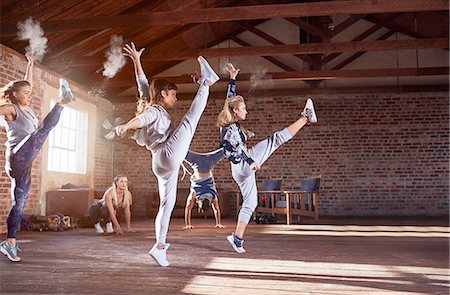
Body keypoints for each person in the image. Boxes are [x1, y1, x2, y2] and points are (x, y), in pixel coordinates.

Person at [116, 42, 219, 267]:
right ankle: (207, 83)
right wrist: (126, 126)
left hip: (161, 160)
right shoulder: (153, 111)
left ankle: (160, 246)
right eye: (173, 95)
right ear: (163, 94)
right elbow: (141, 120)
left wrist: (136, 61)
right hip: (166, 154)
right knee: (190, 121)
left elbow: (142, 84)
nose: (175, 99)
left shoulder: (150, 102)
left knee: (167, 204)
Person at [217, 63, 317, 254]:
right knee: (276, 139)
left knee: (251, 202)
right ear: (236, 111)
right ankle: (305, 117)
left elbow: (229, 99)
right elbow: (234, 150)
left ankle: (237, 238)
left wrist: (232, 78)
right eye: (243, 108)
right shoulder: (231, 129)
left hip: (237, 170)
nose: (246, 111)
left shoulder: (229, 120)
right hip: (244, 164)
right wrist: (251, 162)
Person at [0, 55, 75, 262]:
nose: (29, 95)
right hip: (17, 156)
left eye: (30, 93)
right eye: (25, 93)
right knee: (41, 132)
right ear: (14, 95)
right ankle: (62, 101)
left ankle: (9, 243)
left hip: (26, 163)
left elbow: (27, 84)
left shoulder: (29, 109)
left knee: (20, 202)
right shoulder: (11, 109)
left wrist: (30, 66)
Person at [182, 149, 225, 229]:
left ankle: (240, 138)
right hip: (196, 162)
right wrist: (188, 224)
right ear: (199, 204)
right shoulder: (195, 194)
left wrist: (218, 223)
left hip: (209, 162)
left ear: (209, 203)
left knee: (227, 149)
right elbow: (188, 208)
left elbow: (216, 209)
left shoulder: (212, 197)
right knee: (180, 150)